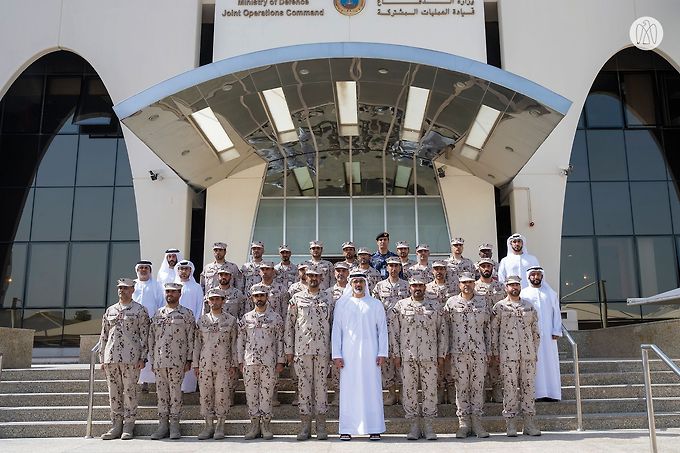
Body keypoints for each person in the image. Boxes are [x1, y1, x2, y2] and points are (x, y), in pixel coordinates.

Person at [331, 272, 388, 441]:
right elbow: (337, 331)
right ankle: (347, 429)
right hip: (348, 356)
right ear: (351, 284)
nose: (358, 284)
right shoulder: (342, 304)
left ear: (365, 284)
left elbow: (382, 330)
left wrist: (382, 353)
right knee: (349, 391)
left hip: (371, 355)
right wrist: (337, 354)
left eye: (360, 281)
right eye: (355, 281)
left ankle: (374, 428)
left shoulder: (375, 304)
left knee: (372, 390)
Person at [390, 276, 447, 441]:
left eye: (421, 286)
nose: (418, 288)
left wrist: (441, 354)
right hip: (408, 357)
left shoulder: (435, 306)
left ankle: (429, 426)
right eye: (415, 285)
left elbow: (442, 331)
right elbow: (394, 331)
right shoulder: (400, 306)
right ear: (409, 288)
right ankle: (413, 426)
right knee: (409, 391)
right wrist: (396, 354)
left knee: (430, 391)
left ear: (425, 288)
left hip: (429, 356)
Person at [285, 265, 334, 440]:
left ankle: (321, 426)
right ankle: (305, 426)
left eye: (317, 276)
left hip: (322, 351)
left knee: (321, 387)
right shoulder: (296, 299)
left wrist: (333, 352)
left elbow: (333, 326)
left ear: (321, 278)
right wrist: (289, 350)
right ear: (305, 277)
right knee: (304, 387)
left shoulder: (328, 298)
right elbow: (289, 326)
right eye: (310, 275)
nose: (313, 278)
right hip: (302, 350)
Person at [99, 278, 150, 440]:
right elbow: (104, 335)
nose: (122, 291)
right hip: (111, 358)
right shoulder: (110, 310)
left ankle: (129, 425)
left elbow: (145, 336)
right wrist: (102, 358)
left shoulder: (140, 310)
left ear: (133, 290)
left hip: (131, 358)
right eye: (120, 288)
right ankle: (116, 425)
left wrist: (143, 357)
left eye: (126, 288)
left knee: (129, 392)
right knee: (113, 392)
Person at [491, 275, 541, 437]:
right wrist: (495, 352)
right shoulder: (499, 307)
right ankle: (511, 424)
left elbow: (535, 332)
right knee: (510, 389)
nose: (514, 288)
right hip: (508, 355)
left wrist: (534, 351)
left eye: (517, 285)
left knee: (528, 388)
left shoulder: (529, 306)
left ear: (520, 287)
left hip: (527, 355)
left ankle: (529, 423)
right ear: (506, 288)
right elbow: (494, 332)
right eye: (511, 285)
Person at [444, 272, 492, 438]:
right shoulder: (451, 303)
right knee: (462, 387)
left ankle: (477, 423)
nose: (467, 285)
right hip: (458, 353)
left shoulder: (482, 302)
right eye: (464, 282)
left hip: (478, 352)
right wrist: (446, 351)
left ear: (474, 284)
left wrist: (490, 350)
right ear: (459, 285)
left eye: (470, 282)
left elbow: (488, 329)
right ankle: (463, 424)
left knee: (478, 387)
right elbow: (446, 330)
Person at [238, 284, 285, 440]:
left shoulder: (276, 318)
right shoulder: (246, 318)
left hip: (268, 362)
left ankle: (265, 425)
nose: (259, 298)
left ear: (267, 297)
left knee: (266, 395)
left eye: (262, 296)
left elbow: (280, 340)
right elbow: (240, 341)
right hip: (250, 362)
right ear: (252, 298)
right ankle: (254, 425)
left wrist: (280, 361)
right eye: (256, 296)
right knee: (251, 394)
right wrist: (239, 360)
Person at [149, 282, 195, 440]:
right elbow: (151, 338)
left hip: (178, 361)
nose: (170, 294)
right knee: (161, 394)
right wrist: (152, 359)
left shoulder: (186, 314)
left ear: (179, 294)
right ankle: (162, 425)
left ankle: (175, 425)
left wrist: (189, 359)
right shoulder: (158, 314)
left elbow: (191, 338)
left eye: (174, 292)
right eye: (168, 291)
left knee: (175, 394)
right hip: (160, 361)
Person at [193, 288, 238, 440]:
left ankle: (220, 425)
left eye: (218, 299)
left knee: (222, 394)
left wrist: (234, 364)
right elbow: (197, 344)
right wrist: (195, 364)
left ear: (223, 301)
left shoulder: (230, 320)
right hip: (205, 363)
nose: (214, 302)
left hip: (223, 364)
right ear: (208, 301)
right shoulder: (202, 320)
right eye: (212, 299)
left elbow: (234, 344)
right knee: (205, 394)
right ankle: (208, 425)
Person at [372, 256, 409, 406]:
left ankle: (402, 393)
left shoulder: (407, 286)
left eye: (396, 266)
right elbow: (373, 307)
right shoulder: (379, 287)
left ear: (400, 268)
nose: (393, 269)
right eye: (390, 266)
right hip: (384, 330)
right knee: (387, 362)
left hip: (403, 330)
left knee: (401, 361)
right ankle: (391, 393)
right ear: (386, 268)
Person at [521, 266, 562, 401]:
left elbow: (557, 312)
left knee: (550, 363)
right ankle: (537, 394)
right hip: (531, 336)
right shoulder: (524, 294)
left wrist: (556, 330)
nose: (536, 277)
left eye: (538, 275)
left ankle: (552, 393)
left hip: (549, 336)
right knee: (535, 364)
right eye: (533, 275)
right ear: (529, 277)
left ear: (542, 276)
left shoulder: (550, 293)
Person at [425, 260, 458, 404]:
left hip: (452, 327)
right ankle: (439, 387)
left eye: (442, 269)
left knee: (450, 357)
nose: (439, 271)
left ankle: (451, 388)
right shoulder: (426, 289)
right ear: (432, 271)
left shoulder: (454, 287)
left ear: (446, 271)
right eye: (436, 269)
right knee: (436, 357)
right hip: (434, 328)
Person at [475, 258, 506, 403]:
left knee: (496, 361)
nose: (486, 268)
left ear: (493, 268)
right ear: (479, 269)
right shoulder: (473, 287)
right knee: (480, 362)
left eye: (488, 266)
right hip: (479, 330)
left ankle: (497, 389)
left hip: (498, 330)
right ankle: (481, 391)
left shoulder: (500, 287)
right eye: (483, 266)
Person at [133, 260, 164, 393]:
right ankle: (137, 380)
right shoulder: (132, 285)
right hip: (134, 326)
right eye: (141, 268)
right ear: (137, 270)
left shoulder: (157, 285)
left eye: (146, 268)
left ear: (150, 270)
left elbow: (161, 304)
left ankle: (148, 381)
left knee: (151, 353)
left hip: (152, 325)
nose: (144, 270)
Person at [175, 260, 204, 393]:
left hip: (192, 328)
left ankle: (189, 387)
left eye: (186, 269)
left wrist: (196, 323)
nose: (183, 271)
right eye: (181, 269)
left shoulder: (196, 287)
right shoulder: (172, 287)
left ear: (190, 271)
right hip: (174, 329)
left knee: (190, 356)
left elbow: (200, 307)